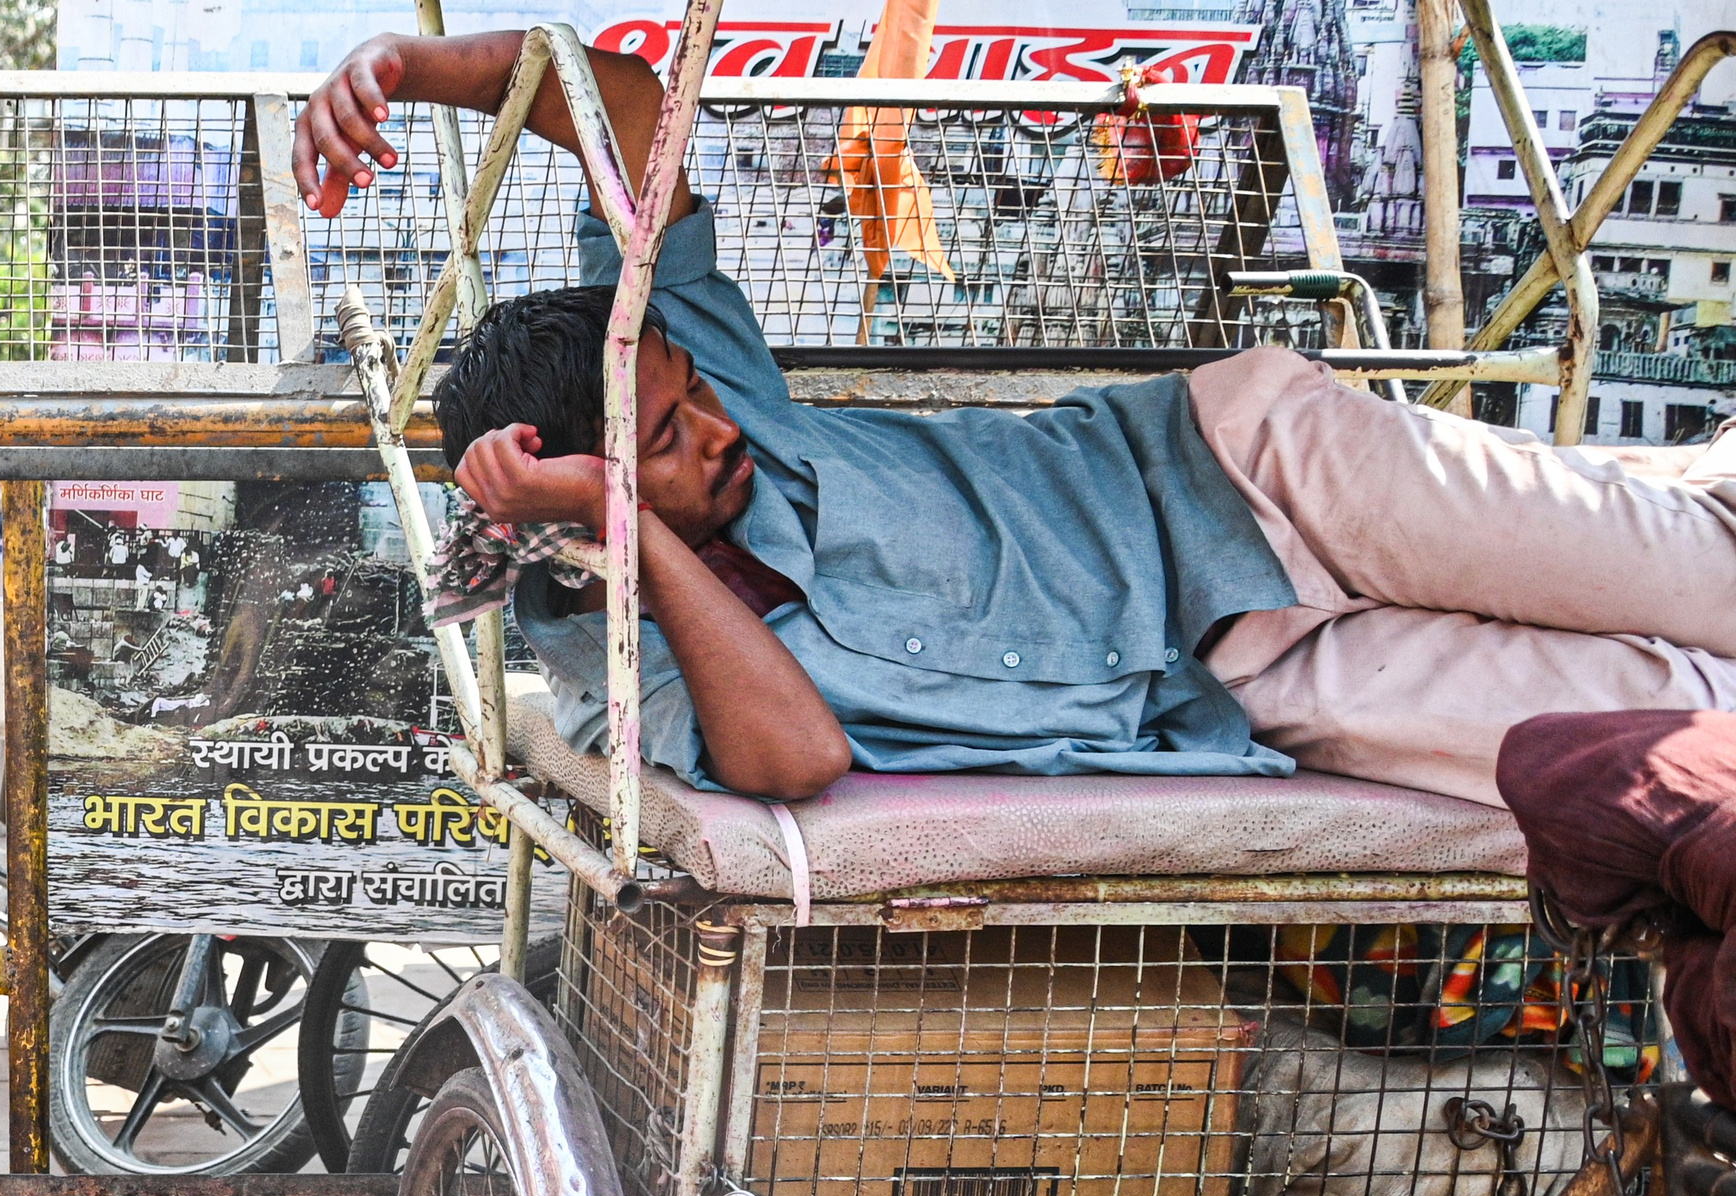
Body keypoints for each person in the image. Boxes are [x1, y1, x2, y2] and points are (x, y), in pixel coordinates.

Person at [295, 35, 1736, 808]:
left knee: (1692, 573)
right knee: (1649, 729)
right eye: (671, 438)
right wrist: (621, 528)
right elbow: (794, 763)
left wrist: (410, 74)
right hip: (1228, 686)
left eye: (700, 393)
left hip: (1233, 463)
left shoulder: (714, 387)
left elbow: (633, 124)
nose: (722, 426)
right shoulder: (629, 664)